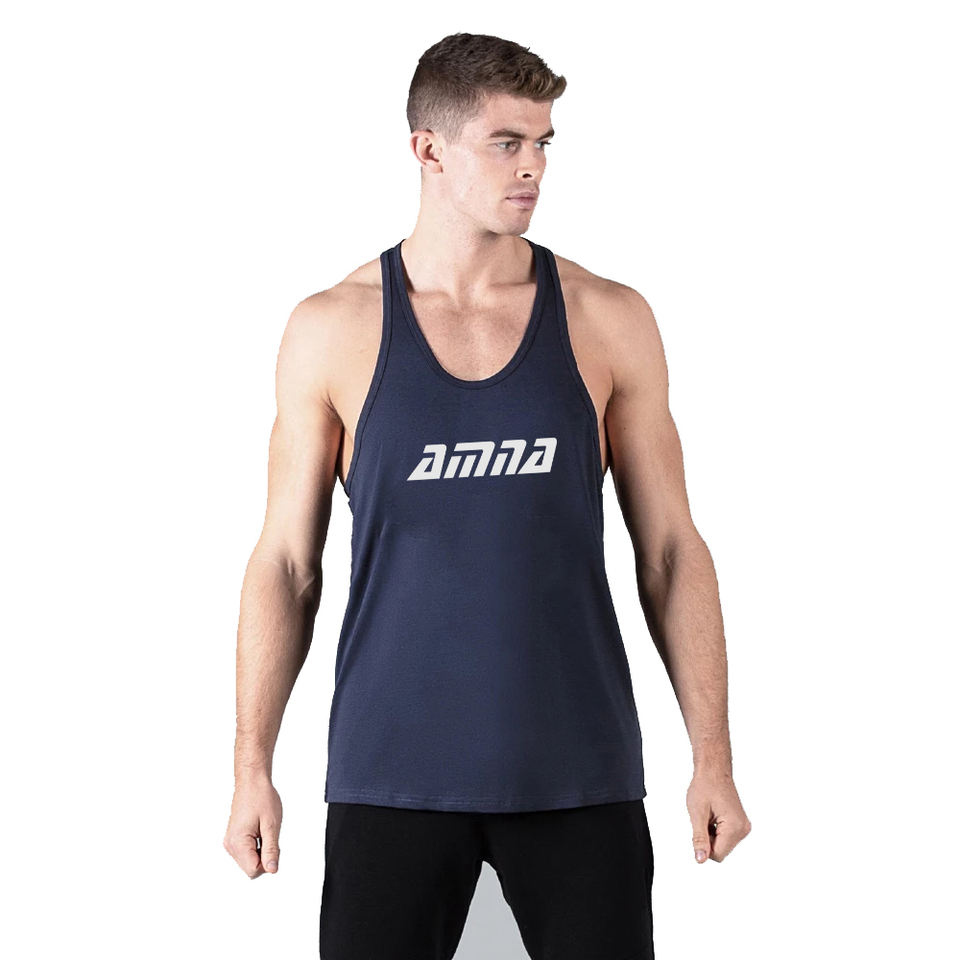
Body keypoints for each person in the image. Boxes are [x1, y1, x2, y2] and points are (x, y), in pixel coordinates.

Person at [223, 31, 751, 960]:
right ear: (428, 148)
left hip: (578, 771)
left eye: (543, 143)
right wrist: (250, 766)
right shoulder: (332, 328)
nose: (533, 167)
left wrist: (713, 755)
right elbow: (287, 564)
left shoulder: (607, 318)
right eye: (506, 143)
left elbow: (671, 550)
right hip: (390, 775)